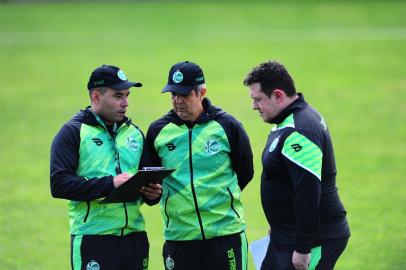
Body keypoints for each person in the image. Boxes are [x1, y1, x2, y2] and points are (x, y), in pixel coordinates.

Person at [50, 64, 162, 270]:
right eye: (118, 96)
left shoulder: (134, 134)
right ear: (96, 97)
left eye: (127, 95)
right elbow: (59, 184)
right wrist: (110, 184)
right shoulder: (73, 132)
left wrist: (152, 193)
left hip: (134, 239)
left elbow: (147, 179)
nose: (126, 103)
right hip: (93, 239)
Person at [146, 61, 254, 270]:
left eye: (184, 95)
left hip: (225, 235)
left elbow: (246, 172)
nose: (177, 101)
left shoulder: (227, 126)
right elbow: (152, 182)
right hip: (180, 237)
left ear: (201, 92)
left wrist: (218, 199)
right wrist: (152, 194)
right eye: (173, 95)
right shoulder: (158, 131)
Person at [243, 60, 350, 270]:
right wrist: (277, 226)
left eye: (258, 99)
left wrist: (303, 248)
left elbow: (308, 191)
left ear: (278, 95)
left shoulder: (299, 131)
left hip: (312, 241)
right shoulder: (289, 121)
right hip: (285, 236)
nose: (253, 106)